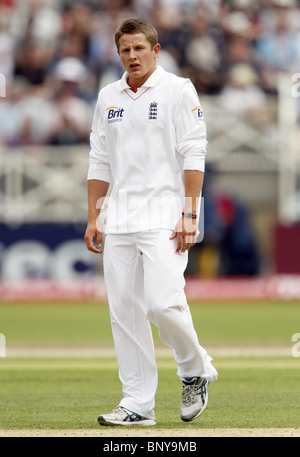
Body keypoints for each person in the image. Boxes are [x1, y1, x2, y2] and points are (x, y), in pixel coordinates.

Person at [84, 18, 218, 427]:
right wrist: (94, 215)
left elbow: (194, 150)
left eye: (139, 48)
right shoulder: (109, 95)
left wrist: (190, 212)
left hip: (165, 213)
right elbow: (99, 159)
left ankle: (195, 368)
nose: (132, 56)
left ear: (156, 50)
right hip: (119, 215)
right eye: (125, 50)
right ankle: (137, 404)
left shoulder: (178, 89)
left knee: (162, 302)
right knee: (124, 311)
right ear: (118, 53)